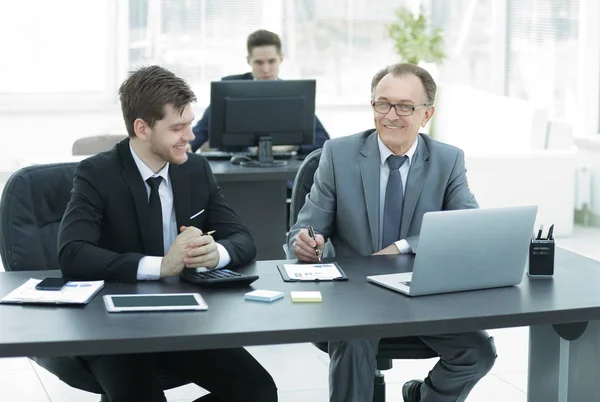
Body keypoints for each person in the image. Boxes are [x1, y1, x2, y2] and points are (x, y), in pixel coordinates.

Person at [58, 65, 277, 402]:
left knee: (258, 392)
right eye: (177, 127)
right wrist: (161, 266)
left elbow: (243, 239)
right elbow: (72, 253)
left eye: (189, 123)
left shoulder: (195, 168)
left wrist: (215, 253)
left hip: (183, 322)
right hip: (115, 329)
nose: (190, 136)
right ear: (142, 129)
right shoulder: (97, 173)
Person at [287, 63, 497, 402]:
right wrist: (305, 244)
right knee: (354, 341)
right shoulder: (338, 155)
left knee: (478, 352)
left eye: (404, 107)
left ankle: (423, 397)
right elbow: (304, 228)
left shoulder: (447, 160)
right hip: (354, 295)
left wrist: (402, 246)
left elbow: (466, 230)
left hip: (421, 293)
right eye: (382, 103)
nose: (391, 116)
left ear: (426, 114)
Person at [188, 29, 329, 155]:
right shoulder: (231, 90)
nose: (266, 69)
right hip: (234, 169)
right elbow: (203, 129)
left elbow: (323, 141)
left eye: (271, 61)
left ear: (281, 58)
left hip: (278, 172)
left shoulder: (294, 95)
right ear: (249, 61)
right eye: (259, 62)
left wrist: (291, 146)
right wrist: (187, 145)